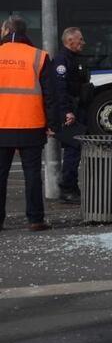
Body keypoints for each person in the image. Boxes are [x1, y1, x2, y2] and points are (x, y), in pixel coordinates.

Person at [0, 16, 60, 231]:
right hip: (31, 124)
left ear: (6, 30)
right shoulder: (39, 56)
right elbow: (50, 95)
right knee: (32, 174)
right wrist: (52, 123)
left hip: (1, 125)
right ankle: (35, 219)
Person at [54, 27, 92, 203]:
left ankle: (72, 186)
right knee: (72, 150)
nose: (83, 42)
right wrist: (67, 111)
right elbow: (60, 89)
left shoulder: (74, 59)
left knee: (76, 149)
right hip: (71, 111)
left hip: (78, 109)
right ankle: (67, 188)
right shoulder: (62, 60)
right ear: (70, 41)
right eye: (80, 39)